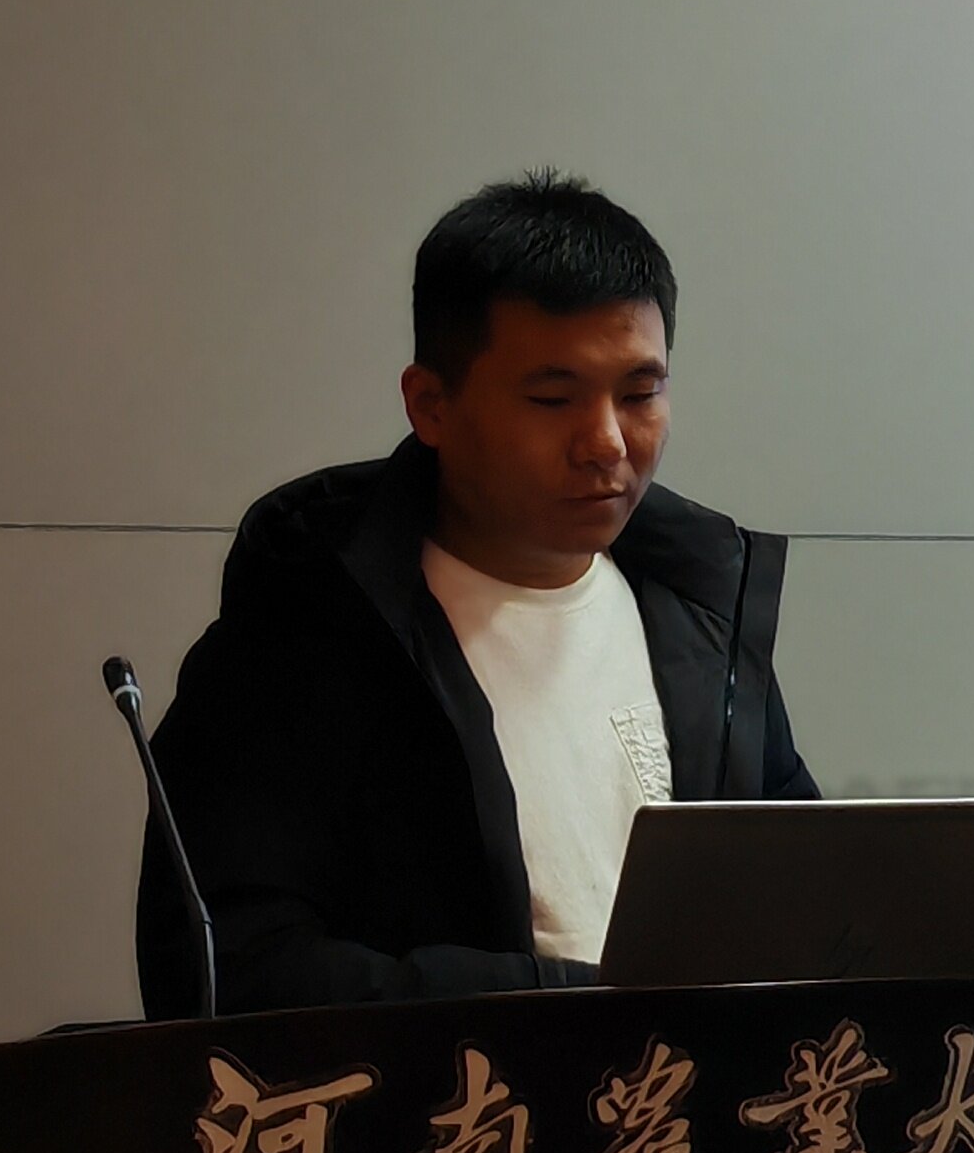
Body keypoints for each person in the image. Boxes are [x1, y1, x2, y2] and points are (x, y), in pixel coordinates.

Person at [136, 172, 815, 1011]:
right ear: (430, 405)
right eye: (553, 399)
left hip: (689, 1094)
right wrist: (579, 1002)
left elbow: (807, 903)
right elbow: (226, 969)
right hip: (460, 1094)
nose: (607, 443)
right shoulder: (301, 640)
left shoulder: (703, 615)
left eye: (641, 394)